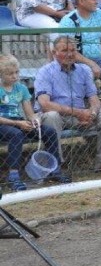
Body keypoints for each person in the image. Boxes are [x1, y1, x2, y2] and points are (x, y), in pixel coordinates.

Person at [34, 36, 101, 174]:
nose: (70, 54)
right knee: (51, 116)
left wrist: (92, 114)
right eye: (64, 50)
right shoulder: (45, 71)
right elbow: (44, 104)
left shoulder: (84, 70)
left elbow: (94, 99)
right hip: (58, 116)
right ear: (54, 53)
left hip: (81, 115)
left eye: (73, 50)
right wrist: (78, 113)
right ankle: (56, 165)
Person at [1, 54, 69, 191]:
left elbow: (30, 113)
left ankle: (54, 169)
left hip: (17, 121)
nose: (15, 76)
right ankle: (13, 175)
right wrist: (19, 124)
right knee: (16, 135)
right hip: (3, 123)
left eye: (16, 72)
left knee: (48, 131)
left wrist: (34, 121)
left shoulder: (21, 88)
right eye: (10, 74)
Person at [58, 0, 101, 76]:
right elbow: (68, 51)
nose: (97, 2)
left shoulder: (99, 13)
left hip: (98, 59)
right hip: (75, 62)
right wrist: (92, 64)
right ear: (81, 1)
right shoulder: (68, 21)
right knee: (88, 72)